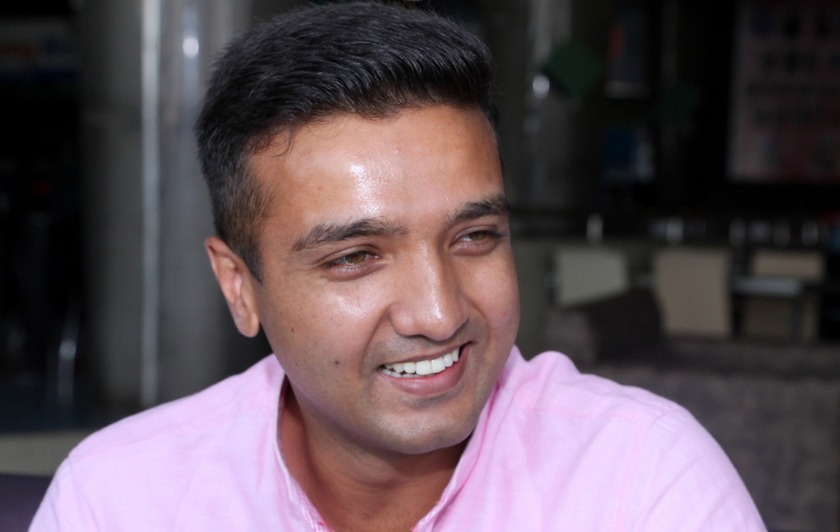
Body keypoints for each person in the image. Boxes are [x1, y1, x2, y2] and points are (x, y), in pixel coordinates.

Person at [32, 2, 765, 530]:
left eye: (474, 237)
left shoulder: (637, 482)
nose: (441, 314)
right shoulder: (123, 499)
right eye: (356, 257)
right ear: (239, 287)